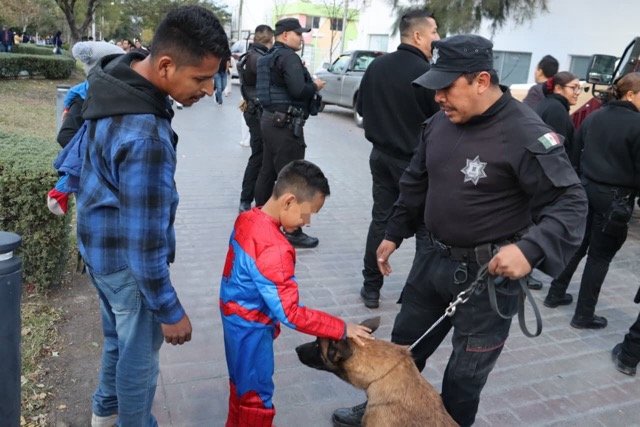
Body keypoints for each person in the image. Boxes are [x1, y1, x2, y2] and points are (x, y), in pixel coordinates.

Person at [332, 34, 587, 427]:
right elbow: (415, 179)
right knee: (401, 350)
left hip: (487, 280)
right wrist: (394, 231)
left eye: (446, 87)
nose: (438, 98)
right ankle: (377, 409)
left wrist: (531, 249)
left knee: (464, 379)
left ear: (481, 80)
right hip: (431, 261)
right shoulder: (439, 122)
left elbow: (571, 201)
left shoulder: (525, 131)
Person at [74, 6, 229, 426]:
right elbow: (144, 244)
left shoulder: (114, 77)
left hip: (98, 249)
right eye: (200, 78)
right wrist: (169, 309)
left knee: (117, 340)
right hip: (126, 265)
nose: (208, 89)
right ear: (164, 65)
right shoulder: (146, 136)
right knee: (140, 363)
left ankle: (104, 411)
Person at [220, 159, 373, 426]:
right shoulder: (275, 248)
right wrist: (340, 328)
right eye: (307, 213)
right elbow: (290, 312)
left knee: (240, 389)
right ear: (289, 201)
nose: (307, 222)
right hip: (250, 329)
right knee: (256, 400)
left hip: (235, 321)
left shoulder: (248, 218)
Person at [357, 8, 440, 309]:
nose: (438, 38)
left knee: (381, 219)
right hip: (415, 165)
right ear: (417, 35)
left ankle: (371, 287)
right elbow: (439, 121)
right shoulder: (428, 75)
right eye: (434, 32)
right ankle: (416, 294)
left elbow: (361, 107)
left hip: (380, 157)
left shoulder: (377, 66)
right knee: (425, 230)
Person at [544, 72, 640, 329]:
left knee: (578, 245)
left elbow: (575, 155)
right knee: (599, 257)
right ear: (630, 95)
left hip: (586, 190)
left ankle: (555, 293)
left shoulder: (595, 116)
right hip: (615, 200)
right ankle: (584, 314)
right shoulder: (637, 124)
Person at [253, 18, 326, 248]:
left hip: (269, 121)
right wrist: (315, 86)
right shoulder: (288, 57)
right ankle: (293, 231)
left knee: (267, 171)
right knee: (296, 179)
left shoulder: (267, 57)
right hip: (286, 125)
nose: (302, 38)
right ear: (285, 35)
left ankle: (260, 220)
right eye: (298, 34)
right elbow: (298, 90)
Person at [47, 41, 125, 216]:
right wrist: (97, 158)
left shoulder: (114, 95)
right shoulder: (83, 97)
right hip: (91, 182)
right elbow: (65, 136)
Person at [237, 25, 274, 213]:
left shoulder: (250, 55)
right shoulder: (258, 59)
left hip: (252, 110)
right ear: (270, 40)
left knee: (260, 155)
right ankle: (247, 198)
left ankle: (250, 198)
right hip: (257, 112)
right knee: (259, 156)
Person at [534, 71, 581, 169]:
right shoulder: (556, 109)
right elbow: (556, 148)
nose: (577, 93)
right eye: (573, 88)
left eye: (579, 88)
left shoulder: (547, 104)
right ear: (558, 88)